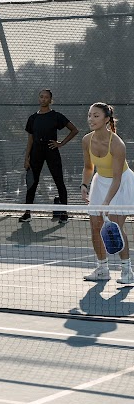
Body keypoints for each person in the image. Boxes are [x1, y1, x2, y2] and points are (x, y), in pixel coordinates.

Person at [80, 102, 134, 284]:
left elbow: (117, 179)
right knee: (96, 226)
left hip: (121, 184)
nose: (91, 119)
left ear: (106, 119)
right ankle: (102, 269)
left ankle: (127, 270)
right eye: (90, 115)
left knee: (115, 228)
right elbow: (89, 167)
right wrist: (84, 185)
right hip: (100, 181)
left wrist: (107, 202)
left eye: (96, 116)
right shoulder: (86, 140)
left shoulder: (117, 144)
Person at [21, 89, 78, 223]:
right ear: (38, 99)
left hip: (51, 151)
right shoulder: (32, 118)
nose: (43, 99)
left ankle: (64, 214)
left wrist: (61, 143)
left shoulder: (56, 116)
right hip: (36, 152)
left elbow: (74, 130)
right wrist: (26, 157)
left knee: (59, 182)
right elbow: (30, 139)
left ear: (50, 100)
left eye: (46, 97)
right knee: (31, 183)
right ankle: (27, 213)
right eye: (41, 97)